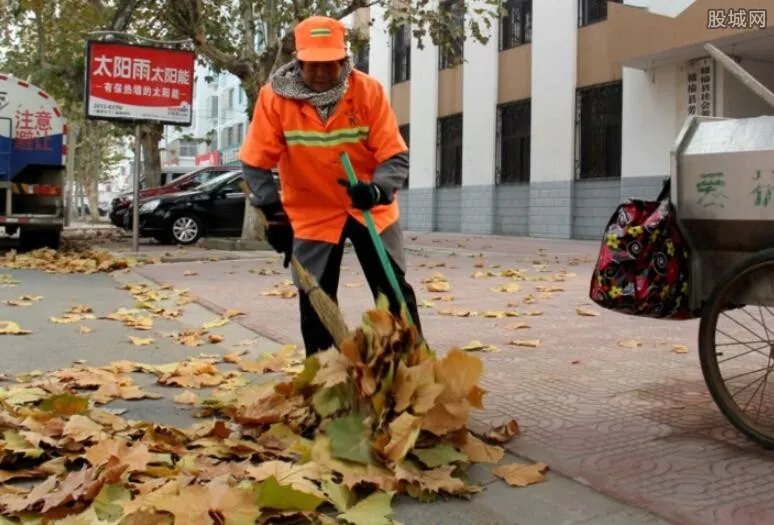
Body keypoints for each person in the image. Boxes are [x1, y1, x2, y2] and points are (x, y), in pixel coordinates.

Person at [239, 15, 423, 356]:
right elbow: (255, 162)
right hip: (312, 213)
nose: (321, 73)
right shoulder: (274, 99)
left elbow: (395, 156)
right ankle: (326, 379)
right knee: (316, 299)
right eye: (312, 65)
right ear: (298, 60)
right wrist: (273, 214)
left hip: (369, 206)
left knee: (394, 292)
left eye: (330, 64)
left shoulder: (368, 91)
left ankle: (410, 370)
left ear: (344, 59)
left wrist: (377, 189)